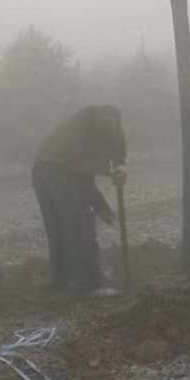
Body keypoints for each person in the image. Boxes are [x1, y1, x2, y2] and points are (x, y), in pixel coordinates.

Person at [31, 105, 127, 296]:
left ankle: (62, 281)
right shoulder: (107, 121)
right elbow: (80, 177)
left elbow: (84, 184)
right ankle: (91, 285)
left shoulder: (80, 131)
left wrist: (104, 210)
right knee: (81, 225)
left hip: (41, 171)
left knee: (57, 228)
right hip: (61, 171)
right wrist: (117, 167)